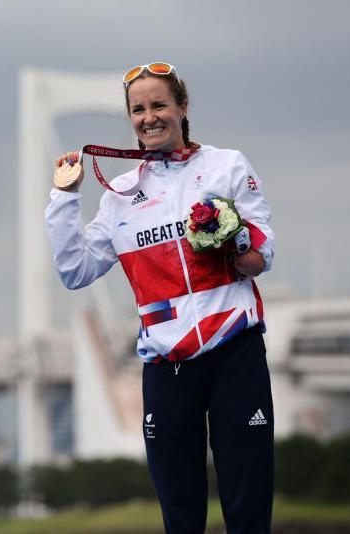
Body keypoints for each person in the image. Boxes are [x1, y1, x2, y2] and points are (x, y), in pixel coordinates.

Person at [45, 62, 275, 533]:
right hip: (167, 362)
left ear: (182, 108)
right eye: (138, 109)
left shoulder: (226, 165)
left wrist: (232, 235)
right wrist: (64, 199)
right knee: (179, 509)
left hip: (235, 349)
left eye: (159, 105)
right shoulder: (121, 194)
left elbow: (261, 258)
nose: (149, 117)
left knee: (248, 504)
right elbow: (75, 271)